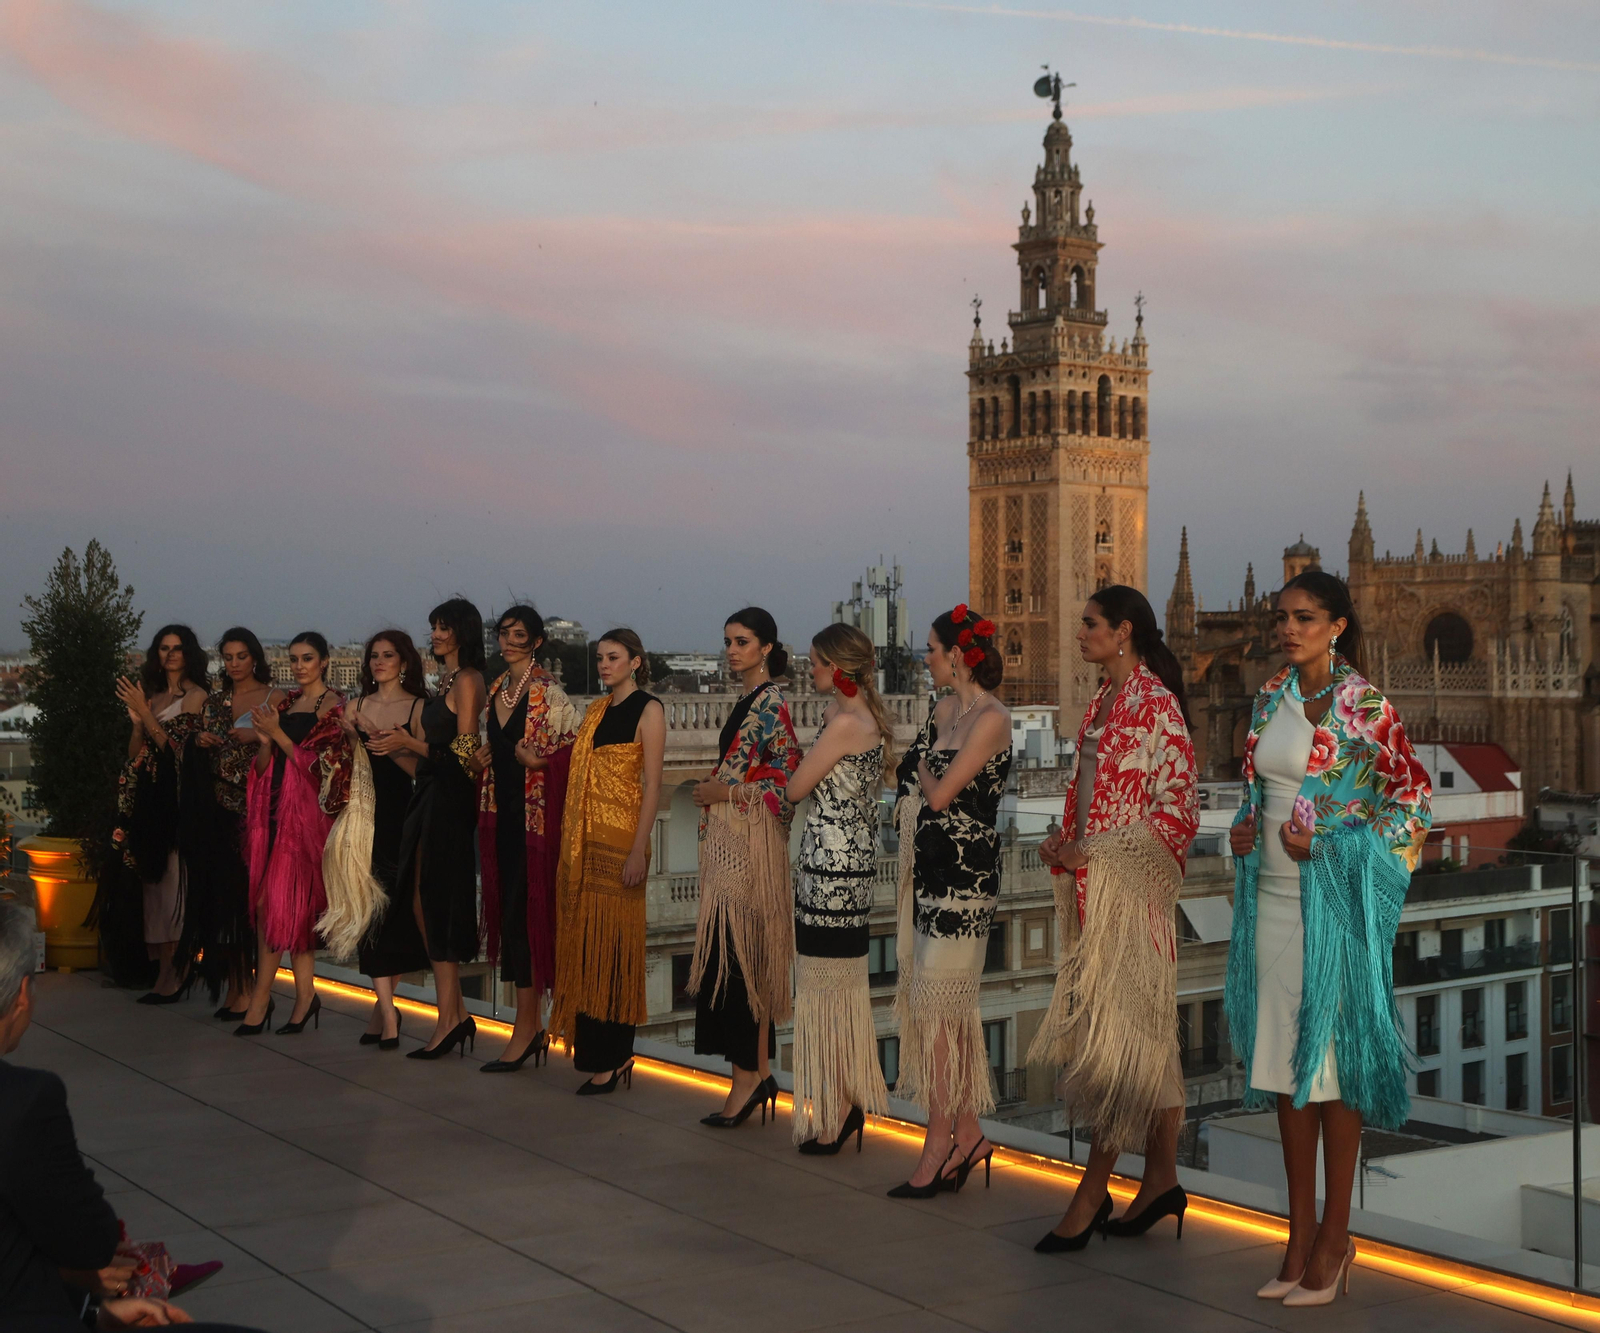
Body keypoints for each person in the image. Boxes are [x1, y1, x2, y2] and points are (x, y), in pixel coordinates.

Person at [1226, 571, 1431, 1307]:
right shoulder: (1269, 697)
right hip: (1272, 902)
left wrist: (1335, 846)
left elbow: (1413, 806)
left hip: (1335, 908)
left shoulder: (1367, 707)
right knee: (1287, 1068)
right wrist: (1242, 830)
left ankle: (1336, 1237)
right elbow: (1258, 792)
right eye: (1282, 616)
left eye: (1305, 617)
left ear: (1338, 625)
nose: (1289, 628)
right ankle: (1298, 1235)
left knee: (1335, 1071)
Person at [0, 902, 263, 1332]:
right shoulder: (24, 1102)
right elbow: (91, 1241)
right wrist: (79, 1279)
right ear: (23, 995)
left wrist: (91, 1310)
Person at [1029, 586, 1199, 1252]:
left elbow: (1177, 810)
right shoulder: (1102, 699)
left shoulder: (1156, 704)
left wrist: (1094, 851)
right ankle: (1161, 1179)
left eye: (1090, 624)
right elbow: (1090, 794)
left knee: (1118, 1045)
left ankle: (1093, 1190)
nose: (1080, 633)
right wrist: (1065, 844)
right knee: (1146, 1040)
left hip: (1131, 900)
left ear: (1123, 631)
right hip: (1091, 895)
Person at [889, 604, 1011, 1197]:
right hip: (930, 878)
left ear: (958, 655)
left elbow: (935, 794)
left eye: (933, 650)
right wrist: (921, 773)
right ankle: (970, 1135)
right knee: (946, 1013)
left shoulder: (994, 718)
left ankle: (938, 1145)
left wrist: (922, 771)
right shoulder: (942, 710)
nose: (926, 659)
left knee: (940, 1012)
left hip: (967, 885)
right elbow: (907, 775)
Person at [689, 607, 801, 1127]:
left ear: (766, 648)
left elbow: (786, 783)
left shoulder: (771, 704)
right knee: (737, 959)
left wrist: (726, 792)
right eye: (728, 641)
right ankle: (757, 1073)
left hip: (749, 853)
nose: (732, 650)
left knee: (741, 960)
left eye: (742, 642)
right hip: (731, 847)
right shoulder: (749, 701)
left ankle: (748, 1080)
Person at [784, 624, 893, 1154]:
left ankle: (839, 1109)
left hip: (830, 869)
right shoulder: (856, 716)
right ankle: (843, 1102)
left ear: (838, 667)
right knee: (839, 990)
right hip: (848, 866)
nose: (810, 671)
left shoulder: (845, 722)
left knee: (825, 990)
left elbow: (796, 788)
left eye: (816, 663)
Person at [550, 629, 665, 1093]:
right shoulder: (595, 711)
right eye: (599, 657)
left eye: (613, 657)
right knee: (587, 947)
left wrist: (639, 849)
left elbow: (653, 786)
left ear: (635, 662)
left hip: (622, 845)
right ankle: (598, 1056)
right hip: (586, 844)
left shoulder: (649, 710)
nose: (604, 665)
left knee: (614, 950)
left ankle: (614, 1058)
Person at [471, 606, 579, 1072]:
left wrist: (540, 763)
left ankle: (528, 1029)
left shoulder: (548, 693)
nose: (509, 642)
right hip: (500, 819)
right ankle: (527, 1026)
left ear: (536, 642)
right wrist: (470, 759)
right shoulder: (495, 688)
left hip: (535, 823)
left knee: (526, 918)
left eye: (519, 635)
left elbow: (576, 752)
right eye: (504, 633)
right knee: (512, 918)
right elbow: (478, 745)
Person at [236, 632, 351, 1037]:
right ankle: (305, 997)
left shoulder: (335, 707)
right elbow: (264, 764)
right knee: (292, 909)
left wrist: (279, 735)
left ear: (324, 662)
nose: (299, 666)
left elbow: (326, 770)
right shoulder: (285, 704)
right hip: (272, 809)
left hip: (304, 820)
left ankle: (260, 999)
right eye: (294, 659)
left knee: (271, 905)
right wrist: (265, 742)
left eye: (307, 658)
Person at [395, 599, 486, 1060]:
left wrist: (410, 743)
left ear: (462, 632)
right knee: (421, 899)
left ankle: (449, 1019)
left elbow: (465, 754)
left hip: (450, 802)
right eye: (433, 626)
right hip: (429, 795)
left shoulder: (468, 680)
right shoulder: (446, 680)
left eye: (443, 627)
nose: (434, 633)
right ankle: (455, 1014)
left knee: (435, 900)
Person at [105, 626, 210, 1002]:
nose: (171, 654)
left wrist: (148, 717)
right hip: (147, 799)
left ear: (189, 653)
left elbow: (179, 752)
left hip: (177, 802)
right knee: (152, 888)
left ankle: (177, 972)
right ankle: (164, 971)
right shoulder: (152, 694)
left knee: (172, 888)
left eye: (178, 648)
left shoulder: (197, 697)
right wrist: (138, 724)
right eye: (164, 648)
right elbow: (136, 753)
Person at [180, 628, 281, 1020]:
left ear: (255, 657)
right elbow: (197, 748)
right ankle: (238, 987)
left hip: (258, 811)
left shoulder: (275, 698)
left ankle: (253, 991)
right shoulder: (216, 701)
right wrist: (201, 741)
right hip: (218, 811)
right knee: (225, 902)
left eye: (241, 656)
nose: (235, 664)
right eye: (228, 657)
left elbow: (285, 748)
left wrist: (256, 736)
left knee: (250, 902)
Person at [342, 631, 430, 1049]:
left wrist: (383, 740)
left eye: (388, 655)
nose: (379, 662)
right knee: (369, 908)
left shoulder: (418, 707)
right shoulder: (355, 706)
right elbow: (349, 765)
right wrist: (351, 735)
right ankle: (388, 1013)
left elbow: (421, 770)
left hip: (402, 816)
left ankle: (384, 1010)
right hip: (363, 816)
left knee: (395, 911)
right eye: (373, 655)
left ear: (404, 662)